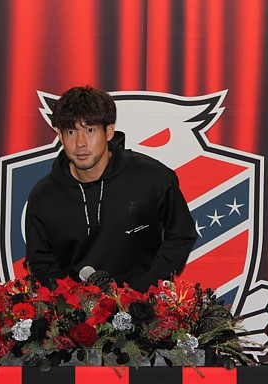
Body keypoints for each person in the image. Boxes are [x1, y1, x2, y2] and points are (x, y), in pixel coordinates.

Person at [25, 86, 198, 291]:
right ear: (60, 136)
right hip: (75, 307)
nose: (80, 143)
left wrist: (143, 290)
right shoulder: (44, 196)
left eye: (90, 130)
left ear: (108, 131)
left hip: (143, 302)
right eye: (71, 132)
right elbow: (41, 261)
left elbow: (181, 235)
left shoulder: (151, 177)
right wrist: (74, 300)